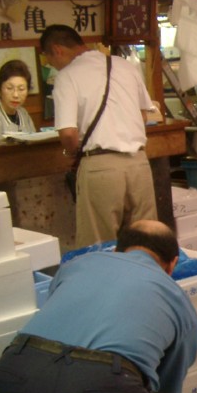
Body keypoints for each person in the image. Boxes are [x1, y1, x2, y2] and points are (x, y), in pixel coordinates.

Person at [0, 220, 197, 393]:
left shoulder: (75, 265)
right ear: (172, 263)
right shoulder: (179, 301)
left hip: (14, 371)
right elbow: (168, 390)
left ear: (116, 250)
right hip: (104, 385)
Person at [40, 24, 158, 249]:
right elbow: (143, 114)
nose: (51, 65)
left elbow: (68, 132)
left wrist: (70, 151)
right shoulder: (124, 66)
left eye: (49, 59)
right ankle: (145, 281)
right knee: (145, 242)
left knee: (99, 245)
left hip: (101, 167)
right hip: (139, 164)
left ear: (56, 49)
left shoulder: (66, 77)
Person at [0, 59, 37, 143]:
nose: (15, 95)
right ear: (0, 88)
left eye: (21, 89)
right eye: (9, 88)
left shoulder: (23, 113)